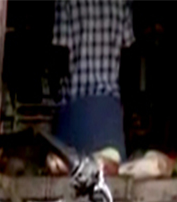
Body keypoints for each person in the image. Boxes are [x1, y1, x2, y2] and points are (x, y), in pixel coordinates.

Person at [52, 0, 133, 159]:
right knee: (113, 180)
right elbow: (128, 59)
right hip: (110, 115)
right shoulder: (123, 3)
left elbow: (60, 57)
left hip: (74, 114)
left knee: (67, 180)